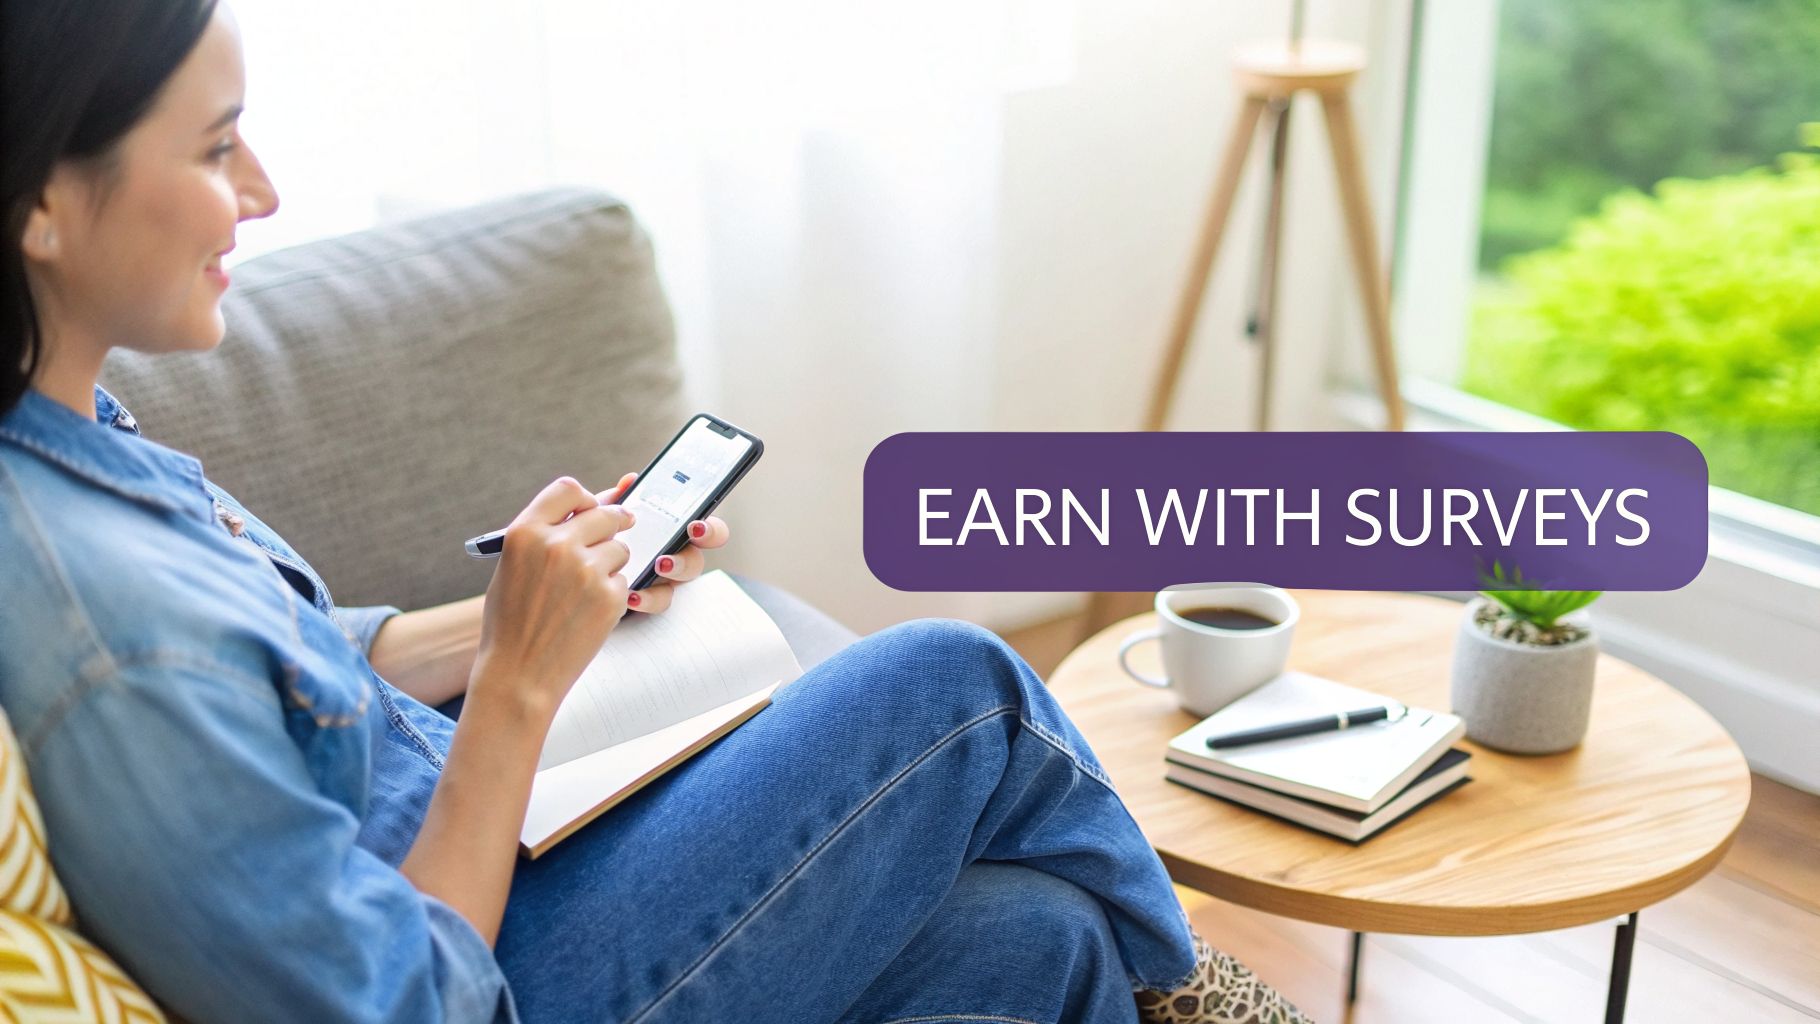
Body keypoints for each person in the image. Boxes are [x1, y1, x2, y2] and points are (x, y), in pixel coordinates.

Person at [0, 2, 1313, 1022]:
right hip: (495, 968)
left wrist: (531, 600)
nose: (266, 192)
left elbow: (292, 670)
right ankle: (1212, 992)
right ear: (46, 205)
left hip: (498, 869)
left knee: (1045, 935)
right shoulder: (101, 624)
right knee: (958, 691)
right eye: (218, 146)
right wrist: (517, 686)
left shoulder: (78, 439)